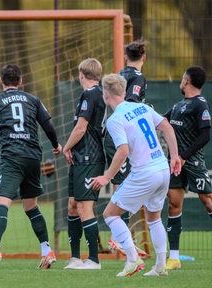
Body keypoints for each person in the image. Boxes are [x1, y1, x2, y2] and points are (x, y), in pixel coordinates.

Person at [0, 64, 62, 270]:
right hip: (33, 156)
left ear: (0, 80)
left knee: (2, 202)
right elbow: (48, 126)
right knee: (31, 205)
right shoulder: (33, 99)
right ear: (21, 81)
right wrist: (56, 145)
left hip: (13, 157)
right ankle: (46, 251)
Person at [91, 73, 181, 277]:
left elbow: (122, 151)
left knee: (109, 215)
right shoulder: (143, 107)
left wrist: (106, 177)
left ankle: (132, 259)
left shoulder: (115, 119)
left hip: (145, 172)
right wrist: (174, 156)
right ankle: (160, 266)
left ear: (106, 95)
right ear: (124, 91)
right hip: (163, 168)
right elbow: (166, 125)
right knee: (154, 217)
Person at [163, 66, 212, 270]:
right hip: (174, 163)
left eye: (182, 78)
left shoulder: (200, 104)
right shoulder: (178, 105)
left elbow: (205, 135)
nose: (181, 82)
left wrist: (183, 156)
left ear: (187, 80)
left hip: (191, 162)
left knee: (208, 202)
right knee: (174, 204)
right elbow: (161, 122)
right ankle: (174, 258)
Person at [105, 40, 148, 257]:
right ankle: (117, 238)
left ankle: (120, 237)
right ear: (144, 58)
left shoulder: (119, 74)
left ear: (125, 57)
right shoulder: (138, 77)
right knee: (122, 185)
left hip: (113, 133)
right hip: (121, 136)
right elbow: (130, 101)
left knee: (122, 184)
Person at [62, 58, 105, 270]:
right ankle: (75, 257)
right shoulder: (96, 94)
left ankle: (94, 260)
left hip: (89, 157)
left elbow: (81, 128)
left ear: (82, 75)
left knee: (84, 207)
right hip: (80, 158)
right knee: (72, 205)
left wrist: (65, 147)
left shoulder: (91, 94)